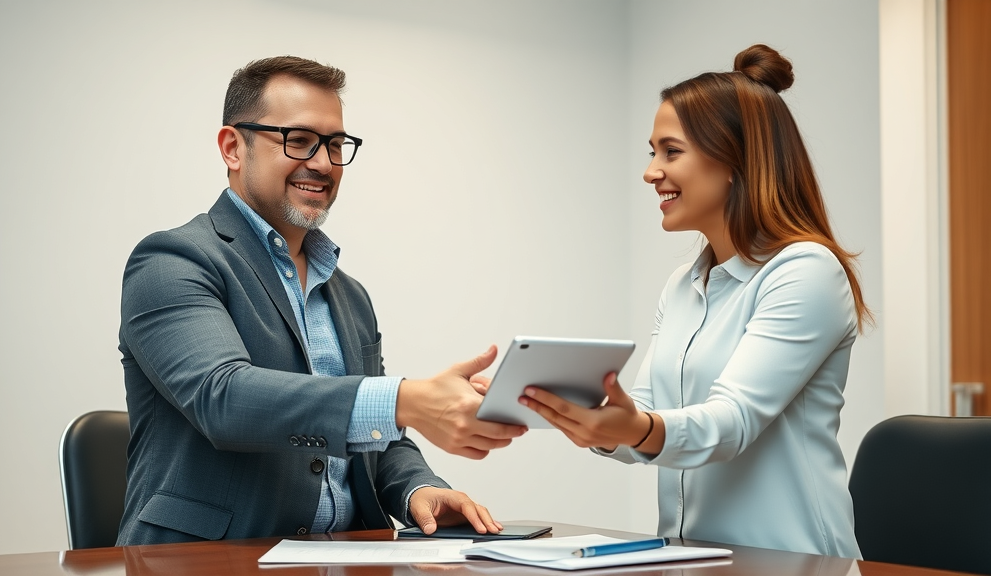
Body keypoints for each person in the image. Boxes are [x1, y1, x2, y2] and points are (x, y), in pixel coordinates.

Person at [116, 56, 526, 545]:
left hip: (345, 555)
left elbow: (372, 437)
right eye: (299, 140)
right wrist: (403, 399)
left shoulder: (350, 296)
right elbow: (223, 398)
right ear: (232, 148)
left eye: (336, 145)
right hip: (209, 558)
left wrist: (417, 488)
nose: (324, 163)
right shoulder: (173, 261)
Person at [517, 44, 870, 558]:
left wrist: (636, 427)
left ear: (734, 161)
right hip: (697, 558)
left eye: (671, 151)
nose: (650, 171)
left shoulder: (806, 272)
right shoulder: (683, 285)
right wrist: (585, 414)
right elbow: (652, 416)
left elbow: (731, 423)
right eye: (652, 151)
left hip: (798, 562)